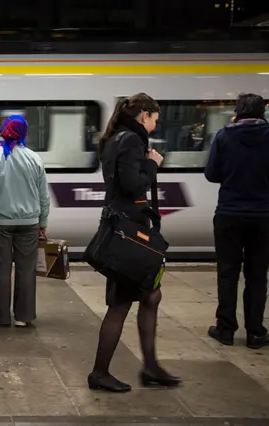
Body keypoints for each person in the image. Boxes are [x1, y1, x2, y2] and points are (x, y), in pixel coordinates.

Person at [87, 93, 181, 393]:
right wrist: (152, 164)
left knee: (150, 296)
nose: (155, 126)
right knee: (121, 304)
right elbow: (131, 185)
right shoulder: (131, 140)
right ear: (145, 116)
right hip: (128, 234)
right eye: (155, 120)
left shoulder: (116, 137)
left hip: (123, 229)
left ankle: (151, 366)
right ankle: (100, 373)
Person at [204, 93, 269, 350]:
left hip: (229, 214)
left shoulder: (223, 136)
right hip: (264, 216)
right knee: (258, 275)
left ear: (238, 111)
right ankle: (255, 333)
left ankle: (226, 329)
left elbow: (211, 174)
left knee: (228, 273)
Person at [0, 115, 50, 327]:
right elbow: (44, 195)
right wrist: (42, 222)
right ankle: (24, 317)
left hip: (0, 223)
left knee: (1, 269)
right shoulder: (35, 159)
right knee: (26, 270)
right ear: (24, 132)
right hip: (29, 224)